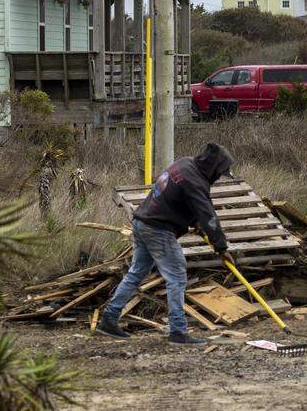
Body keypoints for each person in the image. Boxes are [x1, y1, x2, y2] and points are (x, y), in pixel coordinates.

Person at [96, 143, 236, 345]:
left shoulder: (185, 162)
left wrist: (192, 220)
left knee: (136, 273)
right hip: (157, 229)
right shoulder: (196, 182)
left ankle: (108, 319)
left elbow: (175, 197)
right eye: (220, 173)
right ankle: (178, 331)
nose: (219, 177)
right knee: (177, 276)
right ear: (214, 168)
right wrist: (221, 248)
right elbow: (209, 217)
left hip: (142, 222)